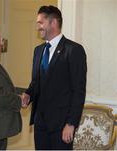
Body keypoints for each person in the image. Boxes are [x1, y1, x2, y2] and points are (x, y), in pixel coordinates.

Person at [22, 5, 87, 150]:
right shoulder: (38, 51)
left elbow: (78, 90)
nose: (38, 27)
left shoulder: (74, 50)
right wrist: (28, 94)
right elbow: (37, 81)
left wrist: (71, 124)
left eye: (41, 23)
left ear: (54, 23)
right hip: (40, 123)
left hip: (62, 125)